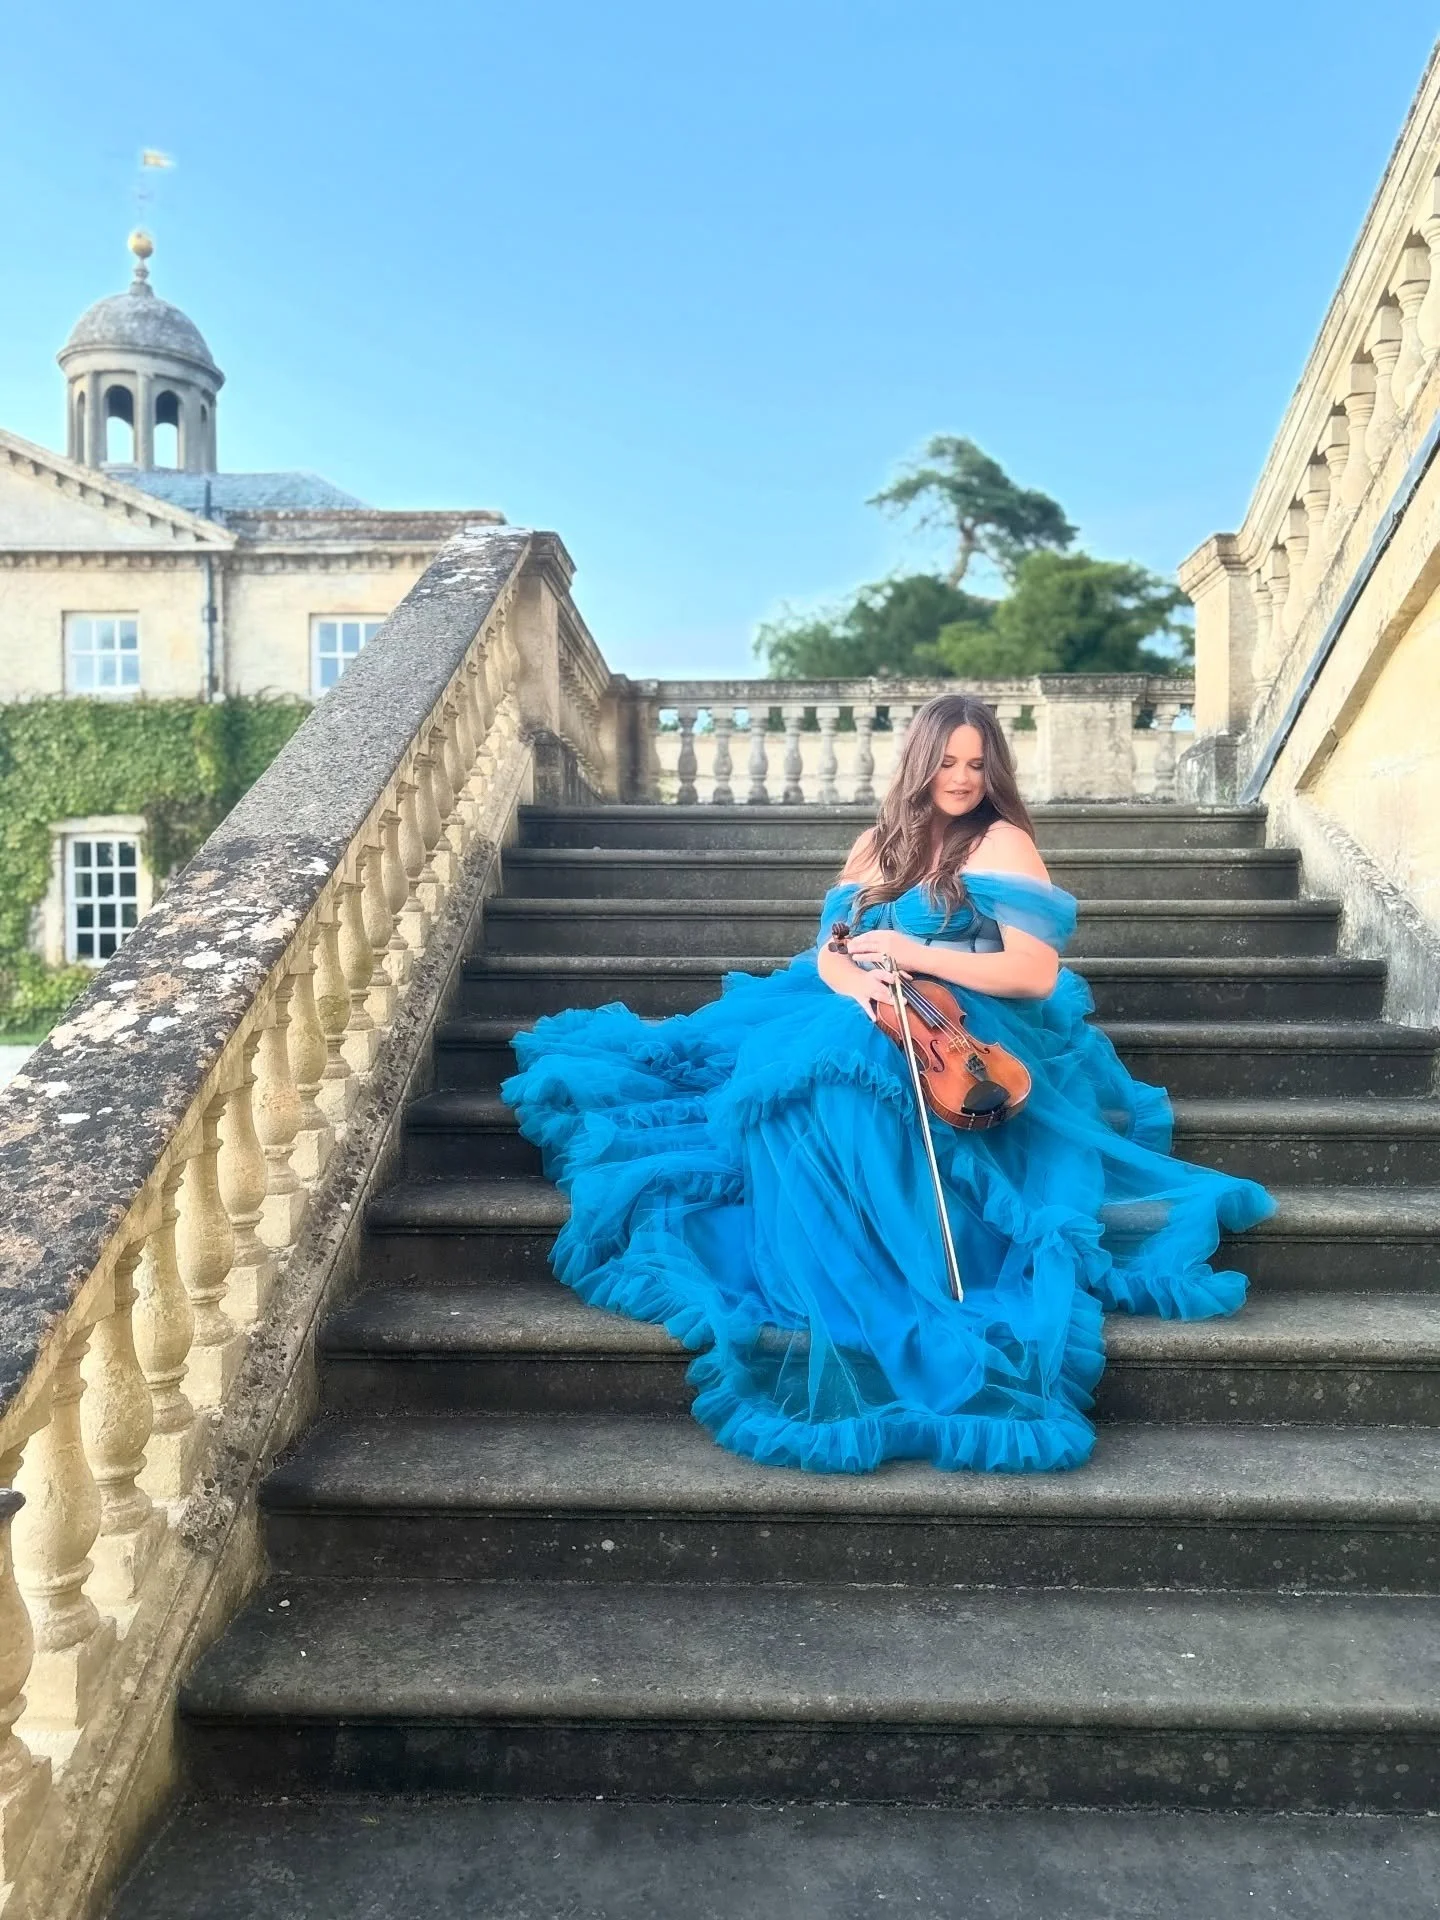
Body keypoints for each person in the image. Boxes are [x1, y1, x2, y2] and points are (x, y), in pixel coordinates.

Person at [504, 693, 1273, 1474]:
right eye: (947, 761)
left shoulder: (1000, 843)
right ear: (919, 761)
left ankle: (884, 1259)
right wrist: (863, 989)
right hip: (861, 1007)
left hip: (966, 1019)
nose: (963, 777)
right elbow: (831, 951)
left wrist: (912, 959)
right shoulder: (876, 844)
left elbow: (1035, 972)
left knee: (836, 1069)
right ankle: (832, 1253)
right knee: (788, 1069)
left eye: (978, 763)